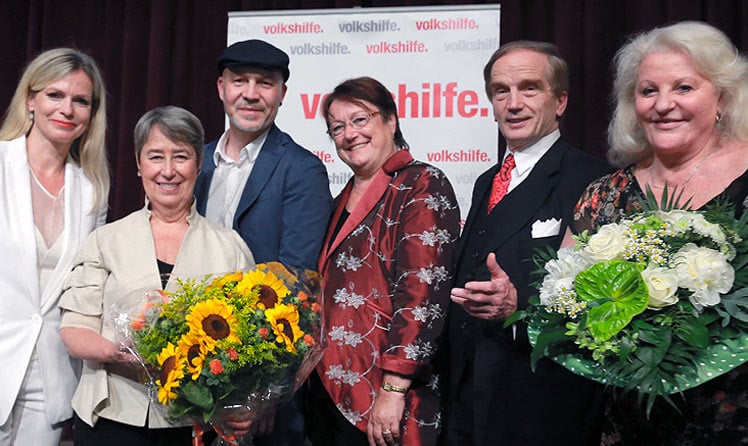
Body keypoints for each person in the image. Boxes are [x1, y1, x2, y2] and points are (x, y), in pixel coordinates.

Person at [567, 21, 748, 445]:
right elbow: (566, 296)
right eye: (649, 91)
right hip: (632, 424)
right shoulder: (603, 195)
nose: (663, 104)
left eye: (683, 88)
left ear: (721, 97)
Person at [442, 41, 612, 446]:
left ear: (561, 101)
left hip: (541, 402)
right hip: (467, 395)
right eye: (502, 91)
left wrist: (520, 305)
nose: (513, 103)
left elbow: (604, 299)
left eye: (530, 88)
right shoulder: (486, 181)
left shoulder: (595, 180)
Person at [58, 106, 255, 446]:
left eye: (181, 157)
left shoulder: (230, 246)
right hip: (111, 416)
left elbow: (252, 344)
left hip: (196, 423)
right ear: (138, 164)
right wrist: (120, 351)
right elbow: (75, 330)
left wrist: (249, 404)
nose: (168, 171)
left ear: (199, 164)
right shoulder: (105, 240)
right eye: (155, 157)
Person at [307, 77, 461, 446]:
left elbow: (422, 293)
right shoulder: (337, 200)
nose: (349, 134)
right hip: (328, 390)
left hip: (385, 395)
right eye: (337, 128)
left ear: (391, 120)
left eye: (360, 120)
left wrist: (394, 388)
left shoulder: (421, 183)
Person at [194, 38, 332, 446]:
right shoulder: (194, 163)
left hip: (260, 386)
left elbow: (298, 282)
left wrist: (267, 391)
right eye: (240, 81)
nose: (251, 94)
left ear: (282, 94)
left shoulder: (302, 170)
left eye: (265, 83)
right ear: (221, 88)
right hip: (192, 372)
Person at [0, 48, 109, 446]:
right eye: (55, 95)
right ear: (30, 99)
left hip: (50, 377)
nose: (68, 109)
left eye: (81, 101)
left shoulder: (92, 190)